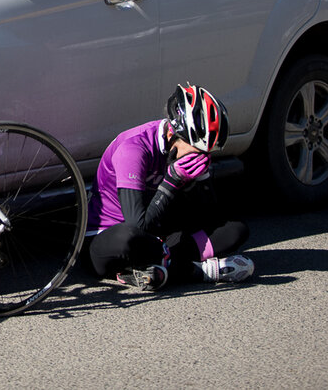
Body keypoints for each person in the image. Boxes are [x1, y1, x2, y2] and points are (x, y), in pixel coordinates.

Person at [85, 84, 254, 291]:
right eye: (196, 151)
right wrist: (172, 181)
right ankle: (194, 271)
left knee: (236, 230)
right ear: (173, 133)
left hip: (158, 236)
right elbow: (139, 226)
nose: (198, 157)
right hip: (111, 237)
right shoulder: (134, 149)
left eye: (206, 153)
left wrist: (202, 179)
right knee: (129, 237)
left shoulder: (184, 150)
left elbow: (212, 216)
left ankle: (155, 269)